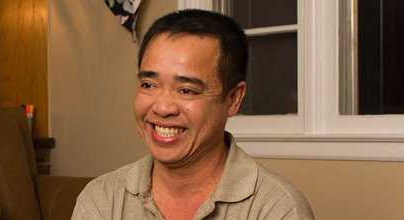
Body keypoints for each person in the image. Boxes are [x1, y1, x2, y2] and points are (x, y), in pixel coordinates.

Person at [72, 9, 314, 219]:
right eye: (148, 85)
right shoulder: (101, 199)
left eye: (187, 90)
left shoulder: (278, 209)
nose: (162, 108)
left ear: (233, 99)